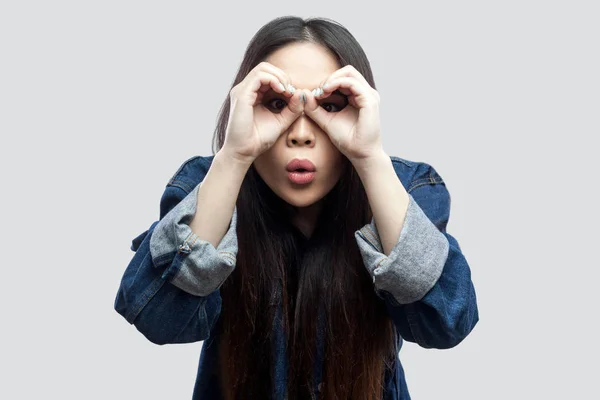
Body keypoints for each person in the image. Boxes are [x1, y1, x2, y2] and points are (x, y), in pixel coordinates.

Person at [114, 15, 479, 400]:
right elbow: (157, 319)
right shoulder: (209, 189)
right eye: (275, 104)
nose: (301, 134)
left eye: (332, 106)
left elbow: (448, 324)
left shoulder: (400, 191)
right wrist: (234, 156)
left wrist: (370, 158)